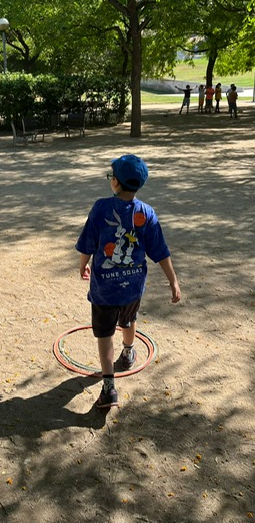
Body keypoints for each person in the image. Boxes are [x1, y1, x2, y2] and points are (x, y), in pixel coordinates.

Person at [75, 154, 181, 409]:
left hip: (104, 290)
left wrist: (82, 265)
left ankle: (109, 388)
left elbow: (88, 242)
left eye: (111, 176)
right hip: (133, 287)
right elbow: (160, 251)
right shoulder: (146, 213)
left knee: (104, 334)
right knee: (129, 319)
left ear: (116, 182)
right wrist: (173, 281)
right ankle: (127, 351)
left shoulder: (101, 208)